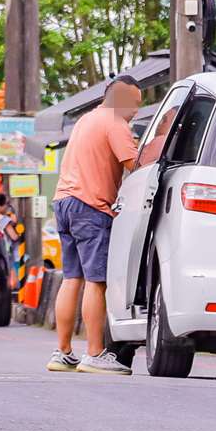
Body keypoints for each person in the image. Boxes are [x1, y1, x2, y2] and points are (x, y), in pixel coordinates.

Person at [48, 74, 142, 374]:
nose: (135, 110)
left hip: (64, 202)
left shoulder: (87, 119)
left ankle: (62, 352)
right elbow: (136, 166)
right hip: (90, 207)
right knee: (95, 281)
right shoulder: (115, 122)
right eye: (133, 102)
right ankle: (94, 353)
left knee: (71, 278)